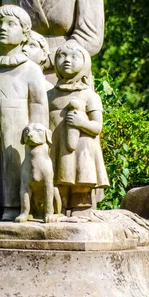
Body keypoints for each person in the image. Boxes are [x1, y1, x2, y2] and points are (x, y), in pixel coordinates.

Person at [0, 5, 49, 221]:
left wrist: (38, 130)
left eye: (11, 24)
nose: (3, 28)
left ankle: (13, 206)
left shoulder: (30, 69)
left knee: (14, 164)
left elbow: (39, 103)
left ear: (24, 33)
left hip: (18, 126)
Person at [48, 42, 109, 216]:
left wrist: (82, 123)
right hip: (55, 148)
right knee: (56, 182)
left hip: (82, 150)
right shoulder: (50, 95)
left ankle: (81, 210)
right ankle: (58, 208)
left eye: (74, 57)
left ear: (85, 63)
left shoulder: (89, 95)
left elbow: (97, 127)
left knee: (81, 183)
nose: (67, 60)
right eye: (62, 56)